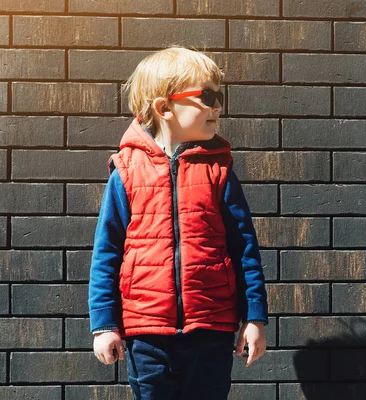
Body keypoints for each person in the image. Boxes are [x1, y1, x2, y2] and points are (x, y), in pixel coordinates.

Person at [87, 45, 269, 399]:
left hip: (211, 328)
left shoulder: (219, 172)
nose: (217, 105)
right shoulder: (125, 173)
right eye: (206, 96)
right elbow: (106, 252)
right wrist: (104, 325)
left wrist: (255, 317)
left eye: (220, 95)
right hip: (146, 333)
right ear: (164, 107)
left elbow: (245, 248)